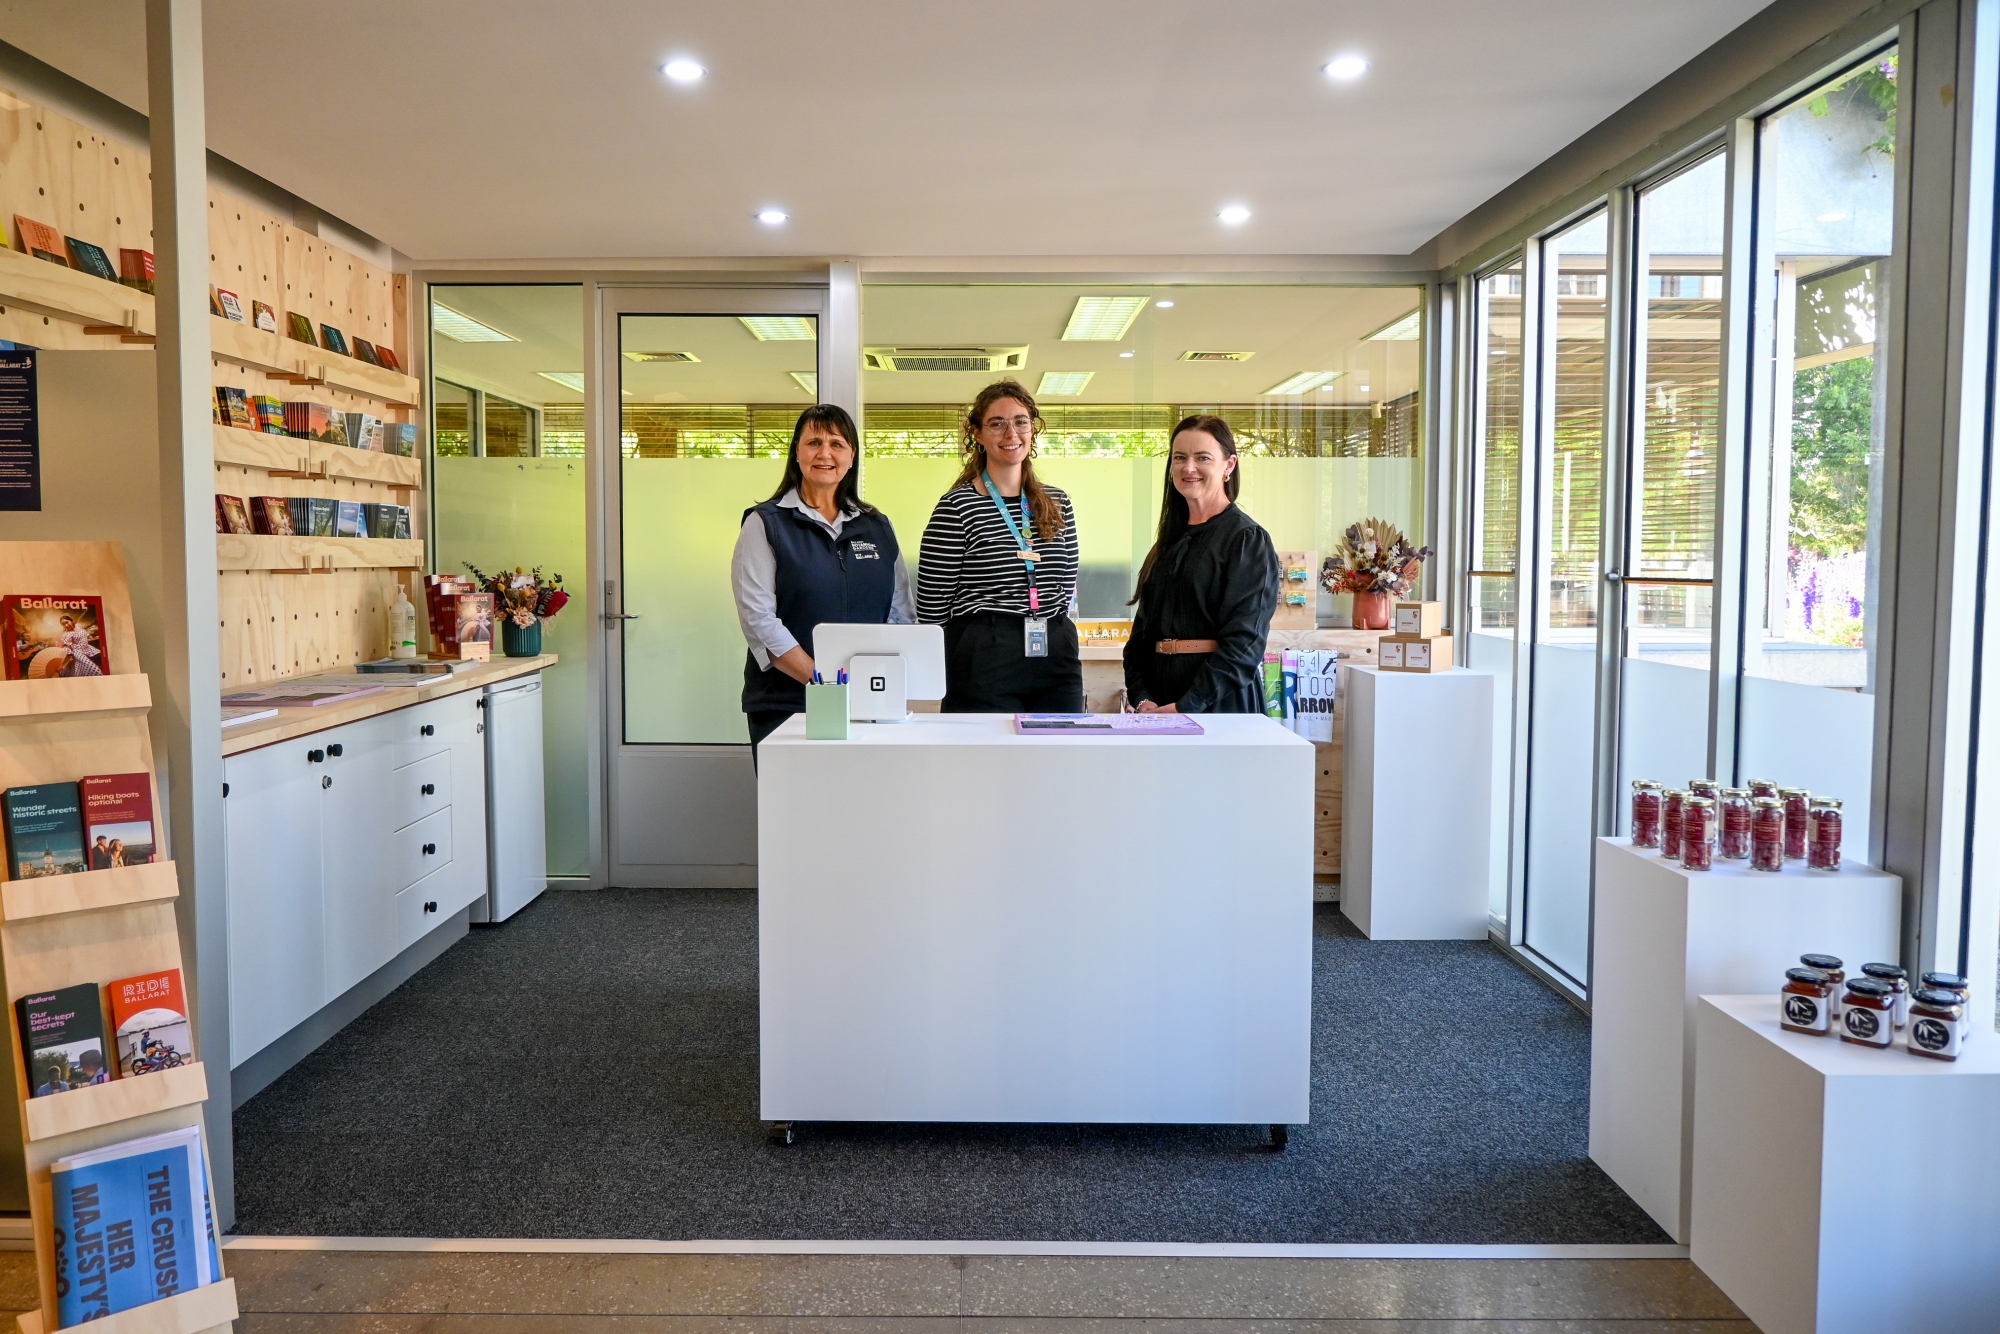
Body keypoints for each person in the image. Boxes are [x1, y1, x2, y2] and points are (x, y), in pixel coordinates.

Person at [732, 404, 913, 749]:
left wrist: (876, 684)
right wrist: (825, 682)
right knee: (793, 802)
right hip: (787, 703)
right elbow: (759, 619)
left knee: (862, 801)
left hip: (868, 703)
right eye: (814, 442)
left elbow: (899, 613)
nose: (825, 453)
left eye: (837, 444)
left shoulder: (877, 526)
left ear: (852, 455)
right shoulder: (765, 523)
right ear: (796, 452)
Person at [916, 380, 1082, 712]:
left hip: (1054, 648)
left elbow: (1065, 584)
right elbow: (931, 607)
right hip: (985, 655)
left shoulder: (1058, 501)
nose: (1011, 433)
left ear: (1032, 430)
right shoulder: (957, 507)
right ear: (977, 434)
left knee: (1059, 756)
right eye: (997, 423)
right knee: (986, 760)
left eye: (1021, 421)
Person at [1124, 415, 1280, 714]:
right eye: (1179, 457)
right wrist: (1142, 699)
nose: (1188, 467)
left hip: (1219, 703)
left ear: (1228, 466)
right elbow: (1140, 638)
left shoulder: (1246, 540)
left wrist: (1187, 705)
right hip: (1158, 702)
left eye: (1202, 457)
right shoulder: (1168, 542)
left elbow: (1244, 644)